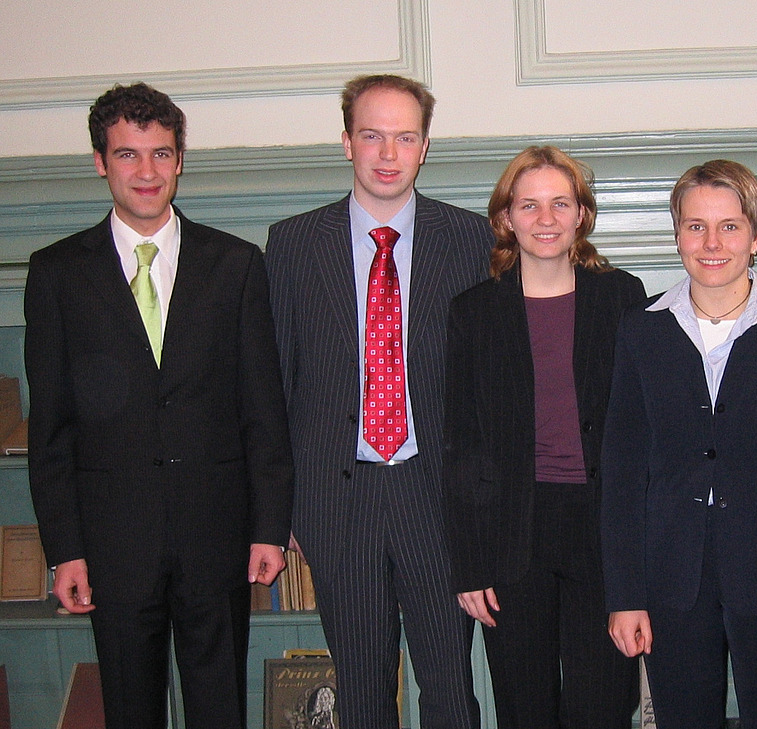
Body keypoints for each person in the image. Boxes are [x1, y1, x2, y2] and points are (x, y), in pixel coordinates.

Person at [24, 82, 294, 729]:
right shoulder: (58, 272)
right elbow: (52, 428)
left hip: (216, 534)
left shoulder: (234, 265)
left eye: (161, 154)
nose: (146, 172)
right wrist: (66, 548)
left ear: (180, 159)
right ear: (100, 161)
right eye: (127, 155)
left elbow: (264, 409)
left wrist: (267, 524)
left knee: (218, 705)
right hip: (114, 545)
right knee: (130, 709)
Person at [264, 74, 492, 729]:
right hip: (338, 504)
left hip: (439, 503)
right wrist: (277, 507)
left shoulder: (471, 241)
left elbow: (488, 391)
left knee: (450, 691)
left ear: (424, 147)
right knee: (362, 695)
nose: (388, 153)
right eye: (372, 135)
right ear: (346, 143)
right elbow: (277, 381)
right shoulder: (293, 245)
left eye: (405, 136)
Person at [601, 159, 757, 729]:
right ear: (677, 234)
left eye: (730, 226)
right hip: (671, 578)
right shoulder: (641, 328)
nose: (712, 243)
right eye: (695, 226)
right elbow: (622, 470)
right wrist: (625, 592)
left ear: (756, 236)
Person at [443, 146, 644, 728]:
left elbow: (642, 431)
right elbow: (461, 442)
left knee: (602, 707)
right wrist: (470, 565)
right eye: (529, 205)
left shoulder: (623, 299)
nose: (547, 218)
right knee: (523, 710)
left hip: (601, 534)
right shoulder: (473, 312)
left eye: (561, 203)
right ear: (505, 218)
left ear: (582, 213)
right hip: (511, 537)